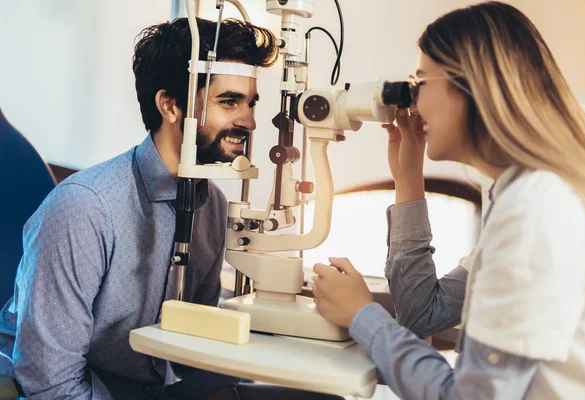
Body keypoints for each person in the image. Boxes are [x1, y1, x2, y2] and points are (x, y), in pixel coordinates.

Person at [0, 17, 339, 400]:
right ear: (170, 105)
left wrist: (222, 384)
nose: (249, 121)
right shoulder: (85, 209)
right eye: (229, 102)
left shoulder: (212, 206)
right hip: (74, 387)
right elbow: (49, 381)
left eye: (251, 103)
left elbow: (197, 345)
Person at [311, 2, 585, 399]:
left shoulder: (538, 209)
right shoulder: (519, 192)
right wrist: (408, 178)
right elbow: (422, 313)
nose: (413, 103)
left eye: (421, 82)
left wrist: (363, 316)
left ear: (471, 86)